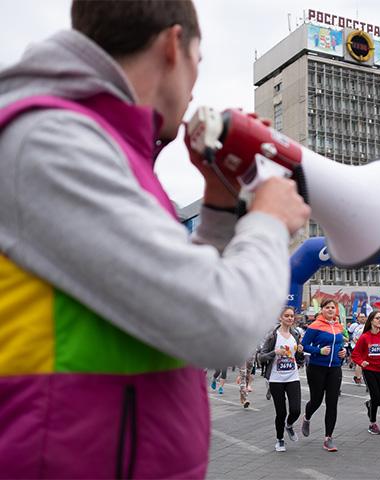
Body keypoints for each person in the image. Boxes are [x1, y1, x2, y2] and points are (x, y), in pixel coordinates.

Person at [0, 1, 310, 477]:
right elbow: (221, 323)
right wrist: (267, 219)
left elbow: (172, 306)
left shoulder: (98, 145)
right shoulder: (49, 140)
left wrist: (220, 203)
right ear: (172, 46)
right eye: (197, 63)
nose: (194, 90)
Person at [300, 299, 346, 452]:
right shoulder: (315, 326)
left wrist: (343, 352)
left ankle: (328, 438)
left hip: (335, 368)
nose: (331, 310)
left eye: (333, 307)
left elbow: (339, 344)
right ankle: (307, 417)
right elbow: (304, 345)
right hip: (317, 368)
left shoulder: (338, 326)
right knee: (316, 400)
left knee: (332, 403)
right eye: (328, 307)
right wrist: (318, 351)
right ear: (322, 310)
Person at [258, 307, 305, 452]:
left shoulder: (295, 334)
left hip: (292, 376)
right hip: (276, 378)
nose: (290, 318)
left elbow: (298, 358)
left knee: (296, 410)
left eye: (292, 316)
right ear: (280, 318)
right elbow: (261, 356)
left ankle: (289, 425)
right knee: (281, 412)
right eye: (287, 316)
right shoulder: (273, 335)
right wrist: (275, 352)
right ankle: (280, 439)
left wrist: (300, 353)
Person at [351, 310, 380, 435]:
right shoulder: (365, 337)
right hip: (369, 370)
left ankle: (370, 404)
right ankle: (372, 423)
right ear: (371, 321)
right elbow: (355, 354)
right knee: (375, 396)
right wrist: (361, 362)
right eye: (377, 318)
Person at [349, 313, 366, 385]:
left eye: (364, 317)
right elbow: (349, 333)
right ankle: (358, 377)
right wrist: (352, 339)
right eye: (361, 317)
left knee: (361, 362)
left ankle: (357, 376)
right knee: (360, 362)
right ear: (357, 318)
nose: (363, 318)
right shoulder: (354, 325)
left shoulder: (366, 325)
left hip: (364, 346)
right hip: (355, 345)